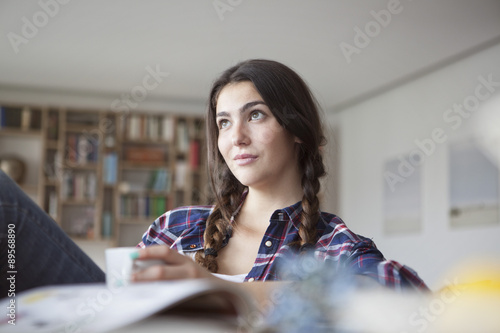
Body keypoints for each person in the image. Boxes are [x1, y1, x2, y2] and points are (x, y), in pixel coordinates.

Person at [0, 59, 428, 303]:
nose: (235, 137)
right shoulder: (175, 228)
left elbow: (408, 299)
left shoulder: (336, 245)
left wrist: (221, 291)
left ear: (297, 128)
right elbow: (119, 307)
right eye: (224, 122)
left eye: (255, 115)